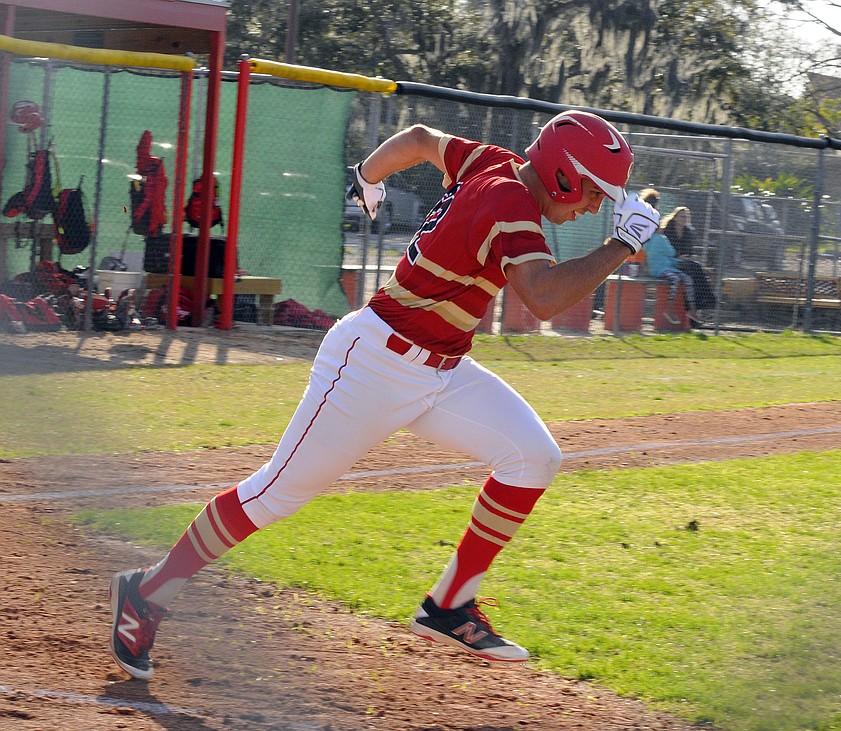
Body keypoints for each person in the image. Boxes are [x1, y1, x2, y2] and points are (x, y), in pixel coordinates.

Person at [108, 110, 660, 679]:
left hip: (440, 368)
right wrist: (622, 246)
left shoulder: (495, 163)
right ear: (565, 176)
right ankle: (145, 593)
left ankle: (448, 603)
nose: (595, 205)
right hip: (372, 364)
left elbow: (421, 139)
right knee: (274, 495)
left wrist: (368, 177)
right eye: (594, 191)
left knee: (534, 457)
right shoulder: (510, 207)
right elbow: (543, 298)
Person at [659, 206, 716, 314]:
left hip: (683, 261)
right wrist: (677, 256)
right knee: (695, 268)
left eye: (687, 216)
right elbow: (664, 249)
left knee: (695, 268)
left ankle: (700, 302)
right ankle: (707, 300)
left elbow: (689, 251)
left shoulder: (688, 232)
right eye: (682, 216)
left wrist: (687, 257)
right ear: (675, 217)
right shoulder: (667, 230)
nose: (684, 218)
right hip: (669, 262)